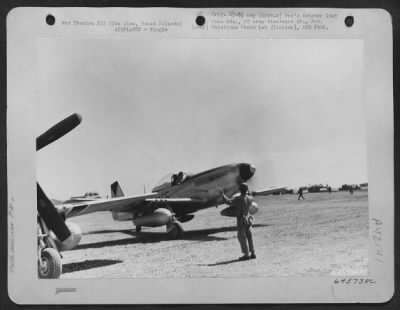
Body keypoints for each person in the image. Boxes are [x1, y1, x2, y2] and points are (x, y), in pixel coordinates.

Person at [220, 183, 256, 261]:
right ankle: (252, 253)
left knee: (242, 237)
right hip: (248, 219)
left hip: (241, 220)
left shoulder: (238, 199)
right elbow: (250, 194)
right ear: (246, 190)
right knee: (249, 237)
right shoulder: (250, 198)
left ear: (240, 190)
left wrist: (222, 194)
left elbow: (228, 201)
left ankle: (246, 255)